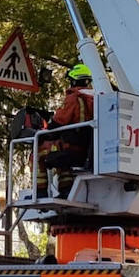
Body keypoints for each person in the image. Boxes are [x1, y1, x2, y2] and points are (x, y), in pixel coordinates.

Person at [36, 63, 96, 197]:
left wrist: (44, 134)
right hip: (87, 150)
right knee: (61, 154)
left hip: (72, 146)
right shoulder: (98, 98)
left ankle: (40, 192)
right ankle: (65, 189)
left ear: (74, 81)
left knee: (38, 152)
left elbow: (59, 121)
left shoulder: (74, 98)